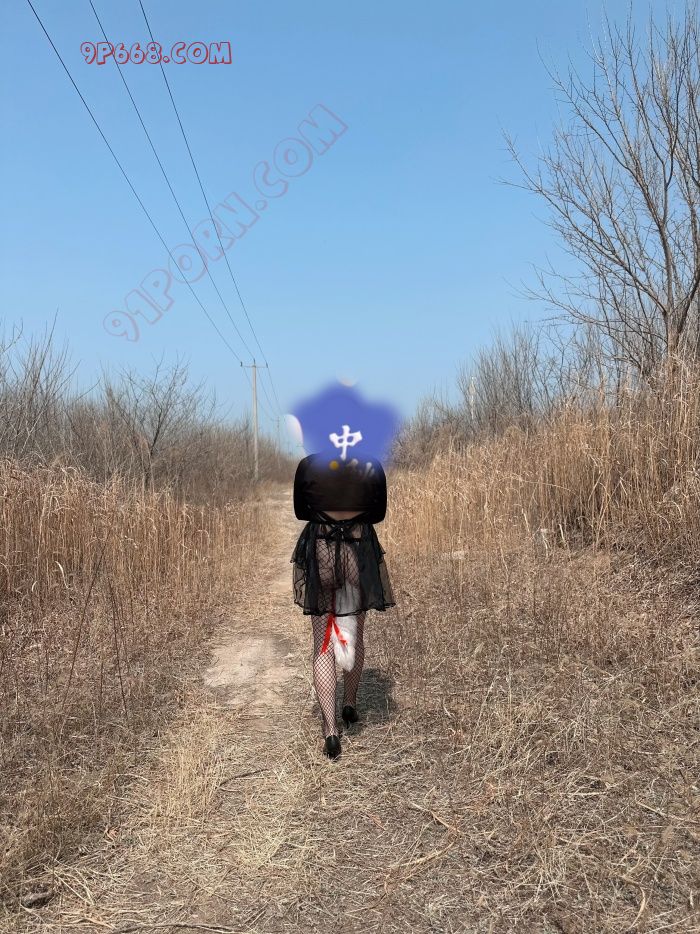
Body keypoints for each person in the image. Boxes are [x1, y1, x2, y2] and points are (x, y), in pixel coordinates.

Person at [291, 452, 395, 759]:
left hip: (321, 546)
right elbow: (378, 513)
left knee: (323, 645)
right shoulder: (368, 465)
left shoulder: (310, 464)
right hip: (358, 545)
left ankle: (330, 730)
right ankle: (349, 704)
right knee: (354, 635)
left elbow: (300, 511)